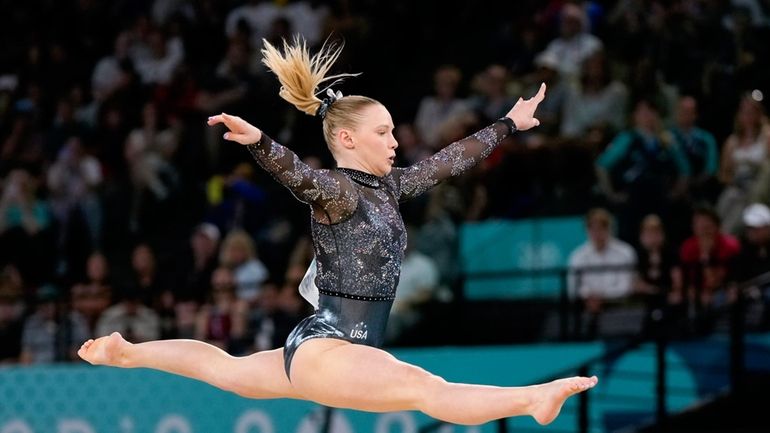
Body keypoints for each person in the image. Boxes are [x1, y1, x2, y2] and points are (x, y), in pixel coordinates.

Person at [78, 36, 597, 426]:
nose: (395, 141)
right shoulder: (339, 191)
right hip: (329, 349)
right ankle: (532, 399)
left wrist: (507, 123)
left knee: (228, 371)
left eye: (393, 131)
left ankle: (130, 353)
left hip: (328, 348)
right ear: (347, 138)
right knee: (428, 389)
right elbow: (299, 177)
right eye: (383, 132)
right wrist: (261, 142)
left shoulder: (390, 187)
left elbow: (444, 163)